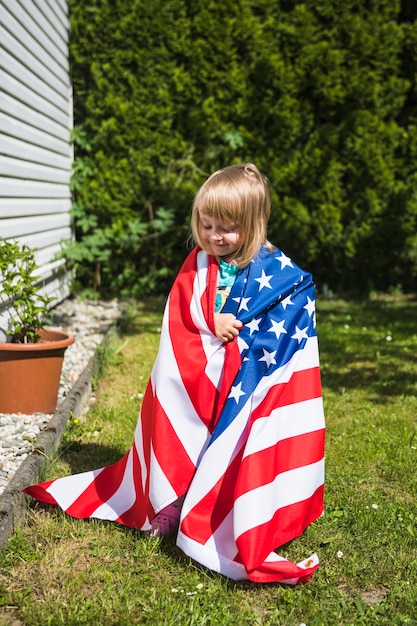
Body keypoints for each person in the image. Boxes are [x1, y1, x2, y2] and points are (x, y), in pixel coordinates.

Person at [24, 163, 325, 585]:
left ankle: (219, 500)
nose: (214, 236)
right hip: (196, 377)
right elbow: (181, 313)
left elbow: (285, 321)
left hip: (243, 383)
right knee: (184, 434)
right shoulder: (198, 263)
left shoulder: (278, 272)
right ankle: (170, 500)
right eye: (207, 224)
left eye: (227, 228)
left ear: (254, 224)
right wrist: (211, 321)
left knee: (224, 443)